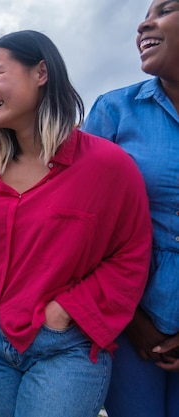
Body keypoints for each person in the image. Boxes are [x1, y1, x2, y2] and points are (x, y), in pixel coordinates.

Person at [0, 30, 153, 417]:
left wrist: (66, 312)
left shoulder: (108, 165)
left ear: (41, 72)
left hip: (64, 346)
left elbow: (131, 253)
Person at [82, 1, 179, 415]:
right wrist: (132, 319)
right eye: (145, 13)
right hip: (128, 321)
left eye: (167, 9)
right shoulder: (113, 110)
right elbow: (84, 224)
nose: (144, 23)